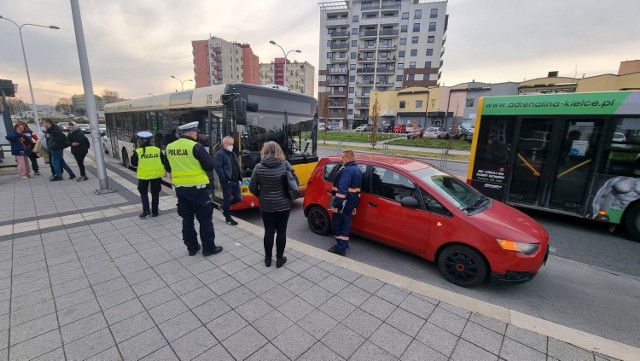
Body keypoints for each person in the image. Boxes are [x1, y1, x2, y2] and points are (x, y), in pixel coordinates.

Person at [164, 121, 223, 257]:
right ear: (191, 132)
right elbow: (209, 166)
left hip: (180, 189)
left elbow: (167, 168)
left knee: (187, 219)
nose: (197, 135)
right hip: (198, 189)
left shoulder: (169, 147)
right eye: (196, 132)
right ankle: (208, 248)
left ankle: (192, 247)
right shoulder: (195, 147)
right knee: (205, 219)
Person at [249, 141, 299, 268]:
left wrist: (261, 195)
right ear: (279, 151)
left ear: (264, 151)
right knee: (281, 232)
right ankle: (279, 259)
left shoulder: (258, 167)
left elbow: (252, 188)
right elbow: (295, 182)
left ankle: (267, 259)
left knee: (269, 231)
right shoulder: (285, 165)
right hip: (284, 205)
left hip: (266, 206)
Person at [328, 149, 363, 256]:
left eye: (343, 157)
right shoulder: (358, 170)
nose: (341, 159)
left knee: (337, 223)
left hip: (343, 202)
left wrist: (336, 205)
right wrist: (355, 205)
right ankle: (343, 243)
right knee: (346, 223)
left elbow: (342, 190)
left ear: (348, 158)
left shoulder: (347, 171)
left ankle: (340, 247)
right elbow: (357, 191)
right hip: (351, 202)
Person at [131, 131, 166, 218]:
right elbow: (163, 161)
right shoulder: (157, 150)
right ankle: (155, 212)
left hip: (143, 176)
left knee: (143, 193)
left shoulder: (138, 151)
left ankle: (146, 210)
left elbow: (133, 163)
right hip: (156, 175)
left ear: (140, 140)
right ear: (151, 140)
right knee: (155, 193)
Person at [214, 135, 242, 225]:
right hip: (227, 181)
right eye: (230, 144)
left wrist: (239, 177)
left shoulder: (232, 153)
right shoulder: (219, 154)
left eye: (232, 144)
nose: (232, 146)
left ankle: (223, 207)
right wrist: (225, 179)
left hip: (235, 180)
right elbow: (218, 168)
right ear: (225, 144)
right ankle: (228, 218)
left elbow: (236, 166)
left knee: (238, 198)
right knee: (227, 199)